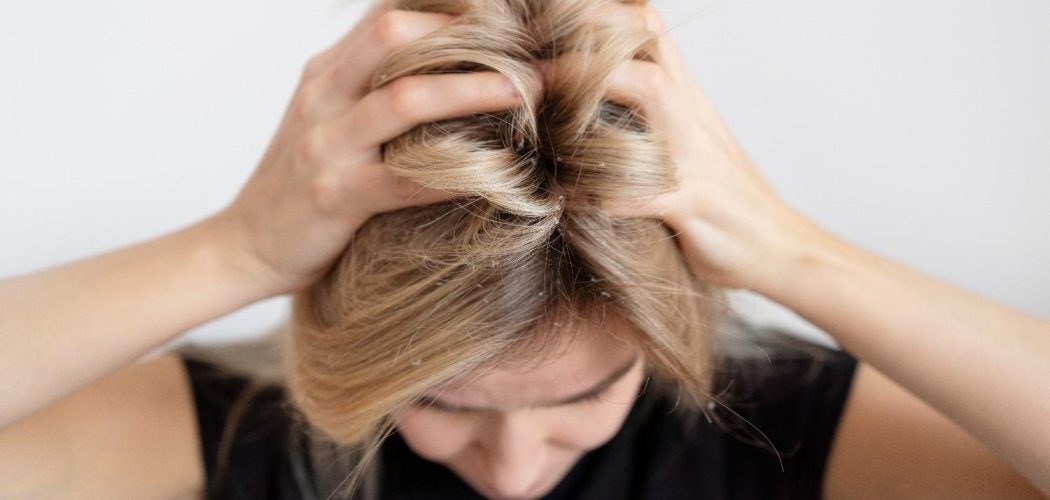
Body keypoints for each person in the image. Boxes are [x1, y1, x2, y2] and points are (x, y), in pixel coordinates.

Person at [0, 0, 1047, 498]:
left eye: (582, 398)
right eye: (446, 404)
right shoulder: (248, 440)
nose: (511, 473)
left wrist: (790, 251)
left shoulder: (771, 426)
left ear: (671, 335)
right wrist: (238, 247)